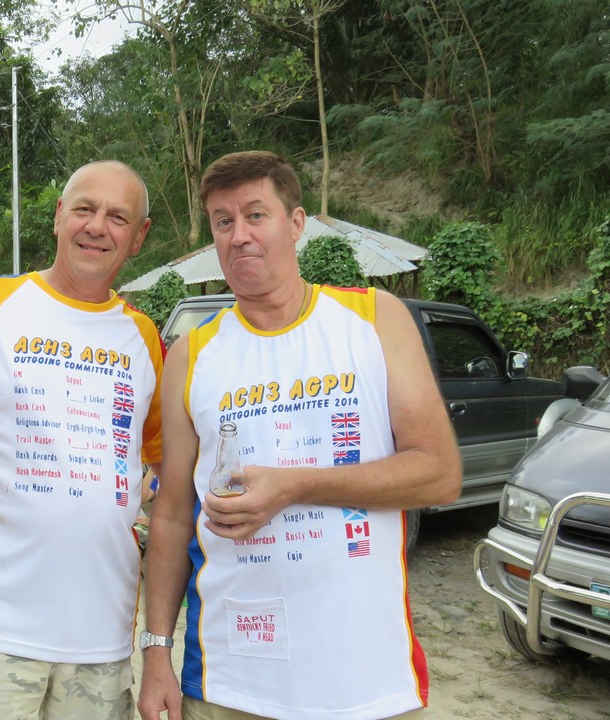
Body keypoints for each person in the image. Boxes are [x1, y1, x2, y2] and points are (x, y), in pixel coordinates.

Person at [137, 150, 461, 720]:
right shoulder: (191, 356)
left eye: (256, 214)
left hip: (366, 683)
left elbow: (439, 474)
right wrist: (157, 651)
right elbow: (171, 516)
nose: (239, 235)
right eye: (223, 221)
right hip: (229, 682)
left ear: (296, 223)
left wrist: (292, 486)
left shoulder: (374, 319)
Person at [0, 160, 164, 718]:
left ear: (139, 236)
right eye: (84, 209)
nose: (96, 226)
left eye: (117, 216)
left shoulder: (144, 337)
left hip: (103, 642)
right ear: (57, 216)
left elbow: (164, 470)